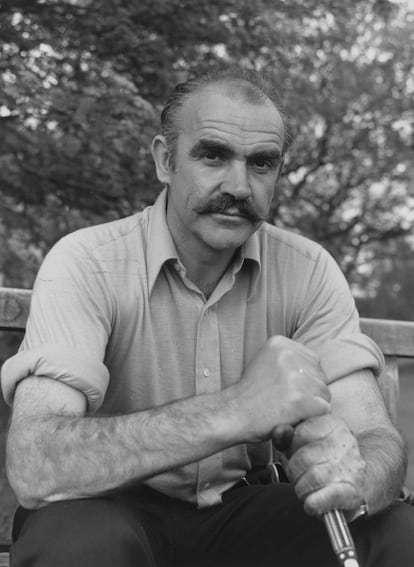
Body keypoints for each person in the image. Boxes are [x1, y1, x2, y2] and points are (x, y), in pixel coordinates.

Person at [1, 65, 414, 567]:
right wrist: (238, 410)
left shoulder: (307, 271)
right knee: (78, 547)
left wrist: (358, 475)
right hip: (106, 505)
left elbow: (375, 438)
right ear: (164, 160)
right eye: (213, 155)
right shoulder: (87, 261)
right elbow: (37, 463)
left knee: (395, 532)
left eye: (262, 163)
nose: (238, 185)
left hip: (243, 508)